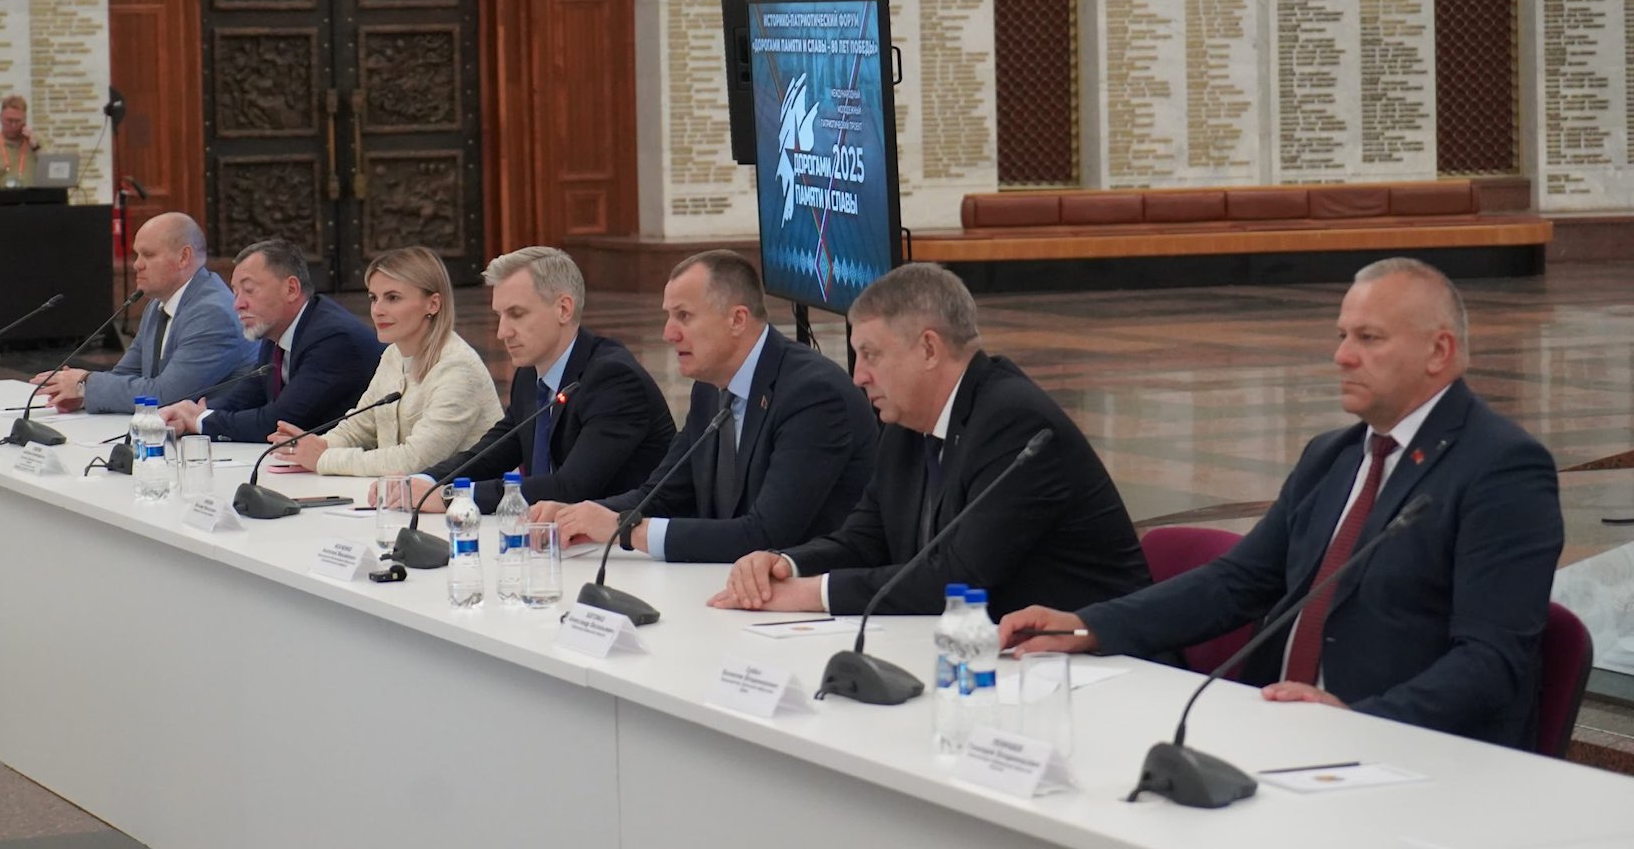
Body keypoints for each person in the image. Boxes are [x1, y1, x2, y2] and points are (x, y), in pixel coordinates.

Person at [1000, 258, 1564, 749]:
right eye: (1342, 335)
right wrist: (1086, 627)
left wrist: (1359, 720)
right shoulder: (1334, 455)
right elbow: (1238, 582)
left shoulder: (1501, 467)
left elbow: (1490, 660)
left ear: (1439, 351)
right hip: (1278, 728)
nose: (1342, 356)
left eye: (1368, 338)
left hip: (1405, 749)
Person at [710, 262, 1149, 616]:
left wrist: (811, 594)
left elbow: (958, 577)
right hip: (992, 653)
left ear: (929, 349)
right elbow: (865, 539)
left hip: (1100, 665)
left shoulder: (1014, 423)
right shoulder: (905, 421)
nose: (859, 376)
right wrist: (785, 564)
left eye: (871, 355)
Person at [530, 249, 875, 562]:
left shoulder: (813, 395)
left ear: (737, 319)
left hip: (815, 595)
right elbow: (661, 495)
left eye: (684, 316)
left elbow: (767, 533)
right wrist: (576, 516)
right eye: (669, 316)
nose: (668, 333)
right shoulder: (709, 389)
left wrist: (626, 530)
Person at [411, 246, 675, 513]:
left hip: (622, 534)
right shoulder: (530, 374)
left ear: (563, 309)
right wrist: (427, 480)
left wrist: (453, 496)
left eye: (516, 314)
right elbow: (492, 453)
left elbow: (569, 489)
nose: (502, 332)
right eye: (499, 316)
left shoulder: (614, 380)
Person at [268, 246, 500, 476]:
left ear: (433, 304)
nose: (377, 310)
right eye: (373, 298)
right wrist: (313, 447)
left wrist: (323, 458)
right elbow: (358, 428)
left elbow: (416, 460)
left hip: (462, 498)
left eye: (393, 298)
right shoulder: (393, 355)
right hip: (400, 494)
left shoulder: (458, 369)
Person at [161, 239, 382, 443]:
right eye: (235, 293)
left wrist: (200, 420)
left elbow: (278, 422)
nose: (238, 304)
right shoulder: (276, 331)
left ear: (291, 289)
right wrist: (193, 413)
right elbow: (249, 395)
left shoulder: (333, 339)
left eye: (249, 290)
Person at [31, 213, 253, 413]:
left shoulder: (212, 313)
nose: (137, 265)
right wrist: (81, 395)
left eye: (148, 255)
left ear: (184, 257)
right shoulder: (158, 304)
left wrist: (85, 382)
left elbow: (166, 396)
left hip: (216, 439)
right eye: (137, 255)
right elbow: (124, 374)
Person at [0, 94, 42, 190]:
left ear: (25, 120)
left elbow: (51, 172)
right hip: (1, 197)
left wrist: (36, 148)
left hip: (34, 197)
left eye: (18, 121)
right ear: (0, 118)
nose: (13, 125)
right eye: (9, 120)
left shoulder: (37, 140)